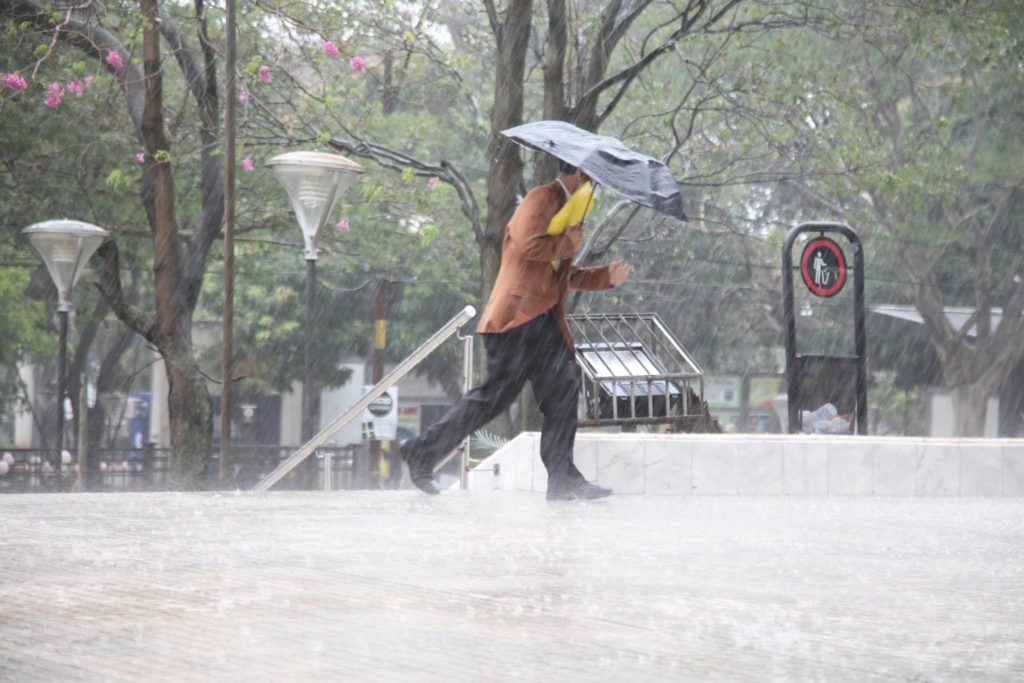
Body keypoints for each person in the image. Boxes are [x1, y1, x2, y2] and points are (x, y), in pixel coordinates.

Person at [400, 164, 630, 500]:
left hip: (542, 322)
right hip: (515, 320)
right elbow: (529, 246)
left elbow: (559, 276)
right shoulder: (541, 199)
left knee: (564, 388)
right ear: (579, 175)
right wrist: (569, 241)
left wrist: (605, 277)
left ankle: (563, 478)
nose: (594, 191)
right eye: (594, 182)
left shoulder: (569, 215)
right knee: (494, 398)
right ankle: (423, 450)